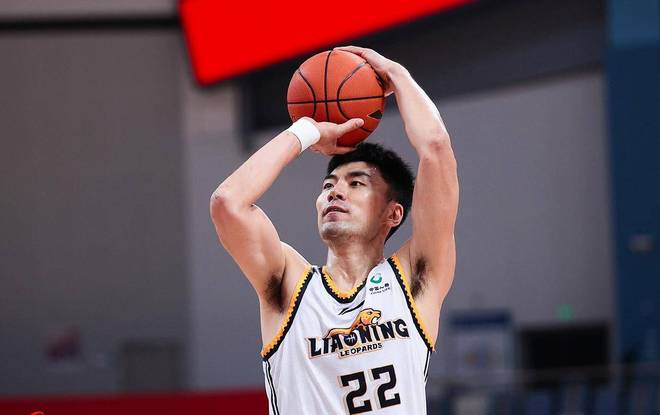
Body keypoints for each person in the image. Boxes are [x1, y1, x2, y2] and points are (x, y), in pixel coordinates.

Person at [210, 46, 459, 414]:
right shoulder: (290, 286)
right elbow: (227, 203)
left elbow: (436, 148)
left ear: (393, 214)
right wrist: (306, 131)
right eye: (328, 185)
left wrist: (398, 74)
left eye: (356, 183)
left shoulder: (414, 280)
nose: (335, 192)